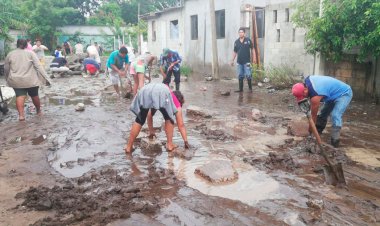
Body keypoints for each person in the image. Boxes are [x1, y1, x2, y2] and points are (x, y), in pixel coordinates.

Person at [292, 75, 353, 147]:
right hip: (331, 94)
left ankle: (335, 141)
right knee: (323, 112)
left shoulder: (315, 96)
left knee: (335, 115)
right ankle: (318, 131)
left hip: (344, 93)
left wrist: (310, 132)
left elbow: (313, 117)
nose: (304, 97)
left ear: (305, 90)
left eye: (303, 95)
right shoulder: (307, 81)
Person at [124, 83, 185, 153]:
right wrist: (186, 141)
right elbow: (180, 125)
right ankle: (170, 145)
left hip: (144, 90)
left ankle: (129, 147)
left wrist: (152, 132)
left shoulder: (163, 91)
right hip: (159, 92)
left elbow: (149, 115)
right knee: (169, 118)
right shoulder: (170, 96)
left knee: (139, 120)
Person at [4, 39, 50, 121]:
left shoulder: (10, 54)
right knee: (34, 95)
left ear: (17, 45)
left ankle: (21, 116)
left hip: (16, 80)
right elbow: (38, 66)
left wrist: (7, 78)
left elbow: (6, 69)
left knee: (20, 96)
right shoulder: (31, 53)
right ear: (26, 45)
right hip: (30, 80)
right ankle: (38, 111)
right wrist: (46, 78)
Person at [230, 27, 256, 92]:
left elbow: (252, 49)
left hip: (247, 62)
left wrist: (254, 58)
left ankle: (250, 89)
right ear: (238, 33)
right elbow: (235, 52)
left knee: (248, 75)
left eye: (242, 32)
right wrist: (232, 60)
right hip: (239, 62)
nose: (240, 33)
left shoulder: (248, 40)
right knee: (240, 75)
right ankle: (240, 89)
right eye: (239, 32)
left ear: (244, 33)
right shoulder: (236, 42)